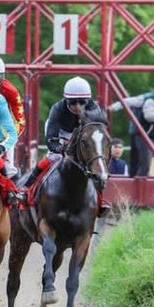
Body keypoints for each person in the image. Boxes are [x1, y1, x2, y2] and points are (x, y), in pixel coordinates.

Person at [22, 77, 110, 213]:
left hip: (83, 133)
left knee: (94, 166)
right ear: (66, 101)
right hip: (61, 133)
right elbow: (51, 141)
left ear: (88, 101)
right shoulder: (57, 110)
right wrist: (62, 149)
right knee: (53, 158)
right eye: (73, 102)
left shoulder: (94, 109)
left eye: (82, 102)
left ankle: (100, 202)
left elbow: (98, 132)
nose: (78, 106)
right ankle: (28, 188)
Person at [109, 82, 154, 177]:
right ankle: (139, 187)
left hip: (151, 137)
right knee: (144, 165)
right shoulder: (150, 100)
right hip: (143, 137)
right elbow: (148, 116)